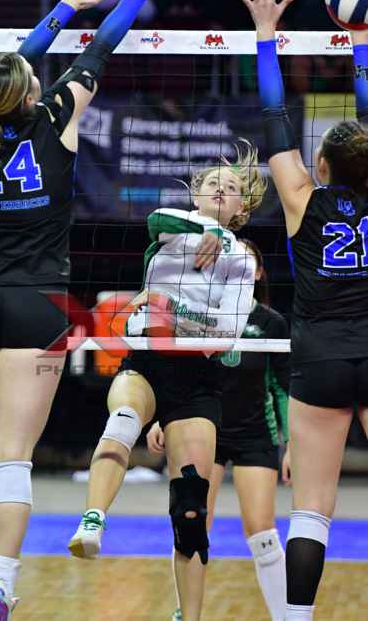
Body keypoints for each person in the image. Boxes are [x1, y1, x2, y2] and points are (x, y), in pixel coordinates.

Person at [0, 0, 174, 621]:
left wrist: (64, 5)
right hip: (40, 306)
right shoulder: (59, 114)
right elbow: (102, 47)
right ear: (33, 90)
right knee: (12, 459)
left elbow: (10, 67)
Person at [68, 148, 267, 621]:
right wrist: (210, 231)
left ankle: (188, 615)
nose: (221, 190)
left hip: (198, 378)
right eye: (213, 183)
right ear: (196, 194)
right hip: (148, 362)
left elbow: (226, 332)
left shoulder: (241, 261)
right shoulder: (169, 233)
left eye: (232, 188)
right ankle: (93, 521)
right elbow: (157, 218)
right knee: (123, 418)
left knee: (191, 510)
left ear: (242, 207)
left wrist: (169, 308)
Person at [240, 0, 368, 621]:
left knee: (312, 510)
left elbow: (274, 121)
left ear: (321, 167)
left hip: (318, 355)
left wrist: (266, 37)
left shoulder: (300, 199)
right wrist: (362, 44)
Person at [147, 238, 291, 621]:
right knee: (191, 520)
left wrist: (292, 444)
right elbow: (178, 375)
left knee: (262, 532)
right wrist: (164, 419)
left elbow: (282, 389)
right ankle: (186, 611)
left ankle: (288, 617)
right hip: (205, 428)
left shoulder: (271, 322)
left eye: (246, 262)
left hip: (255, 435)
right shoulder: (199, 314)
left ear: (258, 273)